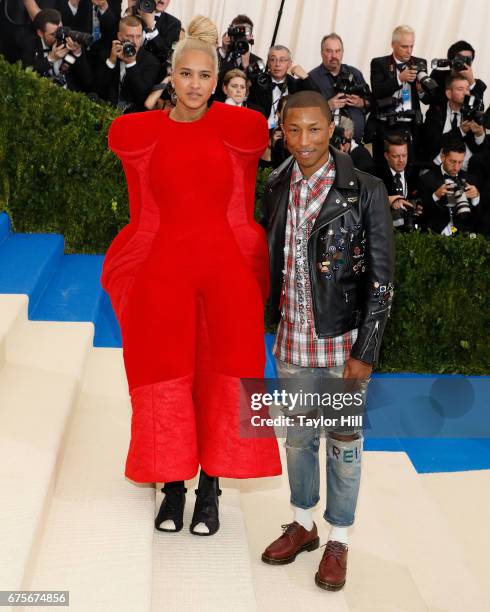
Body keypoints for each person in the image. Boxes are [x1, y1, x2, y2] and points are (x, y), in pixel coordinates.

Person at [100, 15, 281, 537]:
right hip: (163, 277)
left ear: (217, 79)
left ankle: (210, 490)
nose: (196, 84)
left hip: (227, 276)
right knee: (165, 379)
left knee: (223, 377)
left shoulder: (239, 130)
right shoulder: (138, 133)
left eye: (206, 75)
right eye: (187, 74)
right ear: (171, 76)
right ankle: (172, 486)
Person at [261, 90, 394, 591]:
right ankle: (302, 522)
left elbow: (382, 281)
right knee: (297, 438)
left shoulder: (366, 190)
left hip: (343, 344)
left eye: (314, 129)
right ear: (282, 131)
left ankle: (338, 537)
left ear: (332, 126)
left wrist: (367, 351)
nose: (304, 141)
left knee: (342, 444)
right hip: (292, 341)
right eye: (293, 130)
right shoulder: (275, 185)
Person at [370, 25, 428, 163]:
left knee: (411, 166)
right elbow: (377, 91)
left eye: (411, 46)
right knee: (384, 167)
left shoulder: (419, 63)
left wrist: (421, 90)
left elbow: (427, 100)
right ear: (393, 45)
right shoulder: (379, 63)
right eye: (404, 47)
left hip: (410, 123)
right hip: (386, 123)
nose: (409, 51)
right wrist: (399, 79)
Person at [309, 33, 371, 143]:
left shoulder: (355, 74)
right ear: (321, 53)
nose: (334, 56)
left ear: (342, 53)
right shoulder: (311, 78)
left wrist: (361, 102)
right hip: (325, 143)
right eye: (329, 51)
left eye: (337, 51)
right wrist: (327, 106)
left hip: (355, 143)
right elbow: (306, 113)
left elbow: (371, 102)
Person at [95, 15, 160, 112]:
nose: (135, 42)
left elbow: (141, 98)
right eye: (130, 36)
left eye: (138, 36)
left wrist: (131, 64)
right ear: (120, 36)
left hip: (133, 119)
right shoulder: (106, 54)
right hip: (105, 114)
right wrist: (111, 61)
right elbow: (97, 91)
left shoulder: (151, 61)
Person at [422, 74, 486, 169]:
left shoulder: (472, 113)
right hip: (438, 167)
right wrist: (460, 131)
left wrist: (479, 134)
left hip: (467, 168)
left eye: (467, 89)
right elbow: (433, 144)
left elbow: (480, 150)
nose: (466, 93)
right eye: (460, 89)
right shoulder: (435, 112)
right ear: (449, 93)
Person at [21, 8, 93, 92]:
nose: (59, 36)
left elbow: (87, 81)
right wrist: (50, 59)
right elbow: (25, 75)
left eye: (61, 30)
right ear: (40, 33)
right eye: (53, 34)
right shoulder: (29, 43)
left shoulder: (69, 41)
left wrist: (77, 53)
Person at [247, 44, 318, 129]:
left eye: (282, 60)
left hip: (286, 134)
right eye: (273, 60)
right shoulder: (258, 82)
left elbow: (318, 99)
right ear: (268, 63)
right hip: (258, 130)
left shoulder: (295, 85)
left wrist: (305, 77)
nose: (277, 64)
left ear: (289, 63)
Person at [419, 139, 480, 235]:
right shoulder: (426, 179)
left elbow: (478, 217)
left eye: (460, 162)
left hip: (463, 235)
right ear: (443, 157)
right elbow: (422, 215)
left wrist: (476, 197)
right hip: (435, 234)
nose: (456, 167)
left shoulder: (471, 179)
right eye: (452, 161)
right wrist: (436, 196)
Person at [374, 134, 423, 229]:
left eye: (404, 155)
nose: (401, 160)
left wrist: (419, 207)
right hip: (384, 229)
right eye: (396, 156)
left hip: (413, 232)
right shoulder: (375, 176)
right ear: (386, 156)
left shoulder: (415, 174)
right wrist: (389, 202)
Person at [426, 40, 487, 107]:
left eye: (468, 60)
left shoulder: (477, 85)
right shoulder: (438, 75)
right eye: (460, 59)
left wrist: (472, 83)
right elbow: (428, 99)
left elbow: (479, 109)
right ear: (450, 60)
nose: (463, 63)